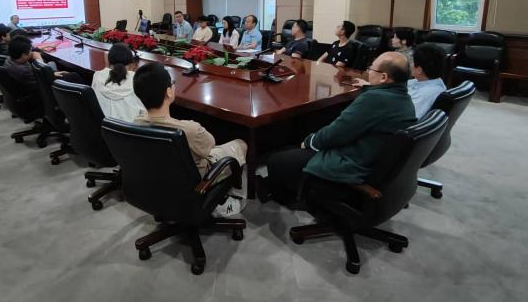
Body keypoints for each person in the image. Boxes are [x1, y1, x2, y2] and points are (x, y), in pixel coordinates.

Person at [261, 52, 416, 204]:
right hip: (373, 162)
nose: (368, 71)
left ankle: (285, 196)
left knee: (277, 160)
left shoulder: (375, 99)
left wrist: (309, 141)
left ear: (383, 77)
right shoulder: (402, 98)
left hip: (351, 166)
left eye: (371, 69)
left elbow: (337, 133)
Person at [133, 62, 248, 216]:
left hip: (158, 183)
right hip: (195, 183)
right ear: (169, 92)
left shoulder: (136, 123)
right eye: (172, 83)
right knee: (240, 144)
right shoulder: (189, 129)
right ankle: (231, 203)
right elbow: (210, 145)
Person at [2, 36, 79, 93]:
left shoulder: (10, 59)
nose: (31, 52)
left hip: (32, 82)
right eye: (30, 51)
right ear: (23, 55)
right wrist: (39, 60)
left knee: (54, 65)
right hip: (42, 90)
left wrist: (53, 73)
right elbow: (44, 79)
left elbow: (30, 53)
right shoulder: (23, 70)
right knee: (73, 75)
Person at [91, 43, 145, 121]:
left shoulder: (97, 75)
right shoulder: (136, 79)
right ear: (130, 61)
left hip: (102, 125)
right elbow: (143, 111)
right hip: (129, 127)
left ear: (108, 59)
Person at [407, 43, 447, 119]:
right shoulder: (423, 81)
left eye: (412, 62)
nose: (410, 65)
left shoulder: (426, 94)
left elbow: (409, 118)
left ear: (419, 70)